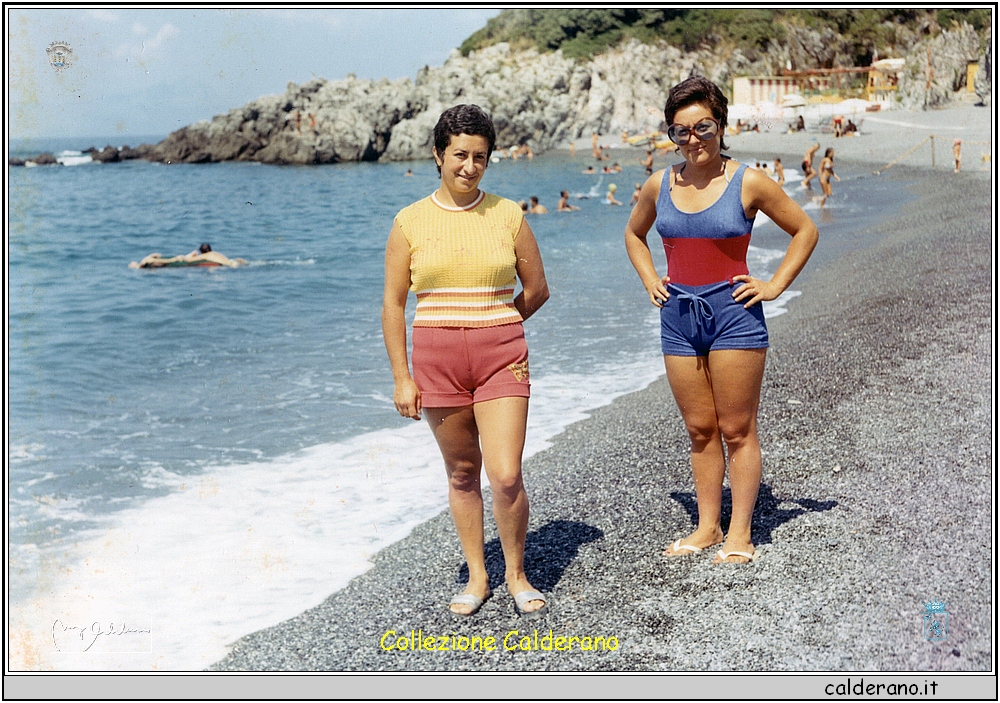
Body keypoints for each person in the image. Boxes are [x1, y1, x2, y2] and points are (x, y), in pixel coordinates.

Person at [623, 76, 818, 564]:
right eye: (680, 131)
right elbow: (633, 234)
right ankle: (707, 526)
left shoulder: (747, 181)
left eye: (703, 126)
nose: (693, 139)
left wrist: (772, 287)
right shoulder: (659, 183)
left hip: (734, 316)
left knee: (736, 428)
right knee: (699, 430)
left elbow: (804, 230)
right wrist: (650, 278)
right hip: (677, 319)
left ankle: (740, 532)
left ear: (721, 125)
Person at [381, 104, 550, 617]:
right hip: (436, 361)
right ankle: (478, 576)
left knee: (504, 475)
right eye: (459, 155)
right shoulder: (408, 221)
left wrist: (498, 323)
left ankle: (516, 574)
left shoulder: (508, 214)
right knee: (461, 472)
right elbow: (393, 303)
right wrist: (402, 378)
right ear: (438, 155)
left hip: (501, 357)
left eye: (480, 157)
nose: (469, 166)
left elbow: (537, 290)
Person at [129, 243, 246, 269]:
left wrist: (189, 255)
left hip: (228, 266)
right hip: (230, 262)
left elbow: (189, 260)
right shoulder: (216, 254)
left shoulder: (145, 262)